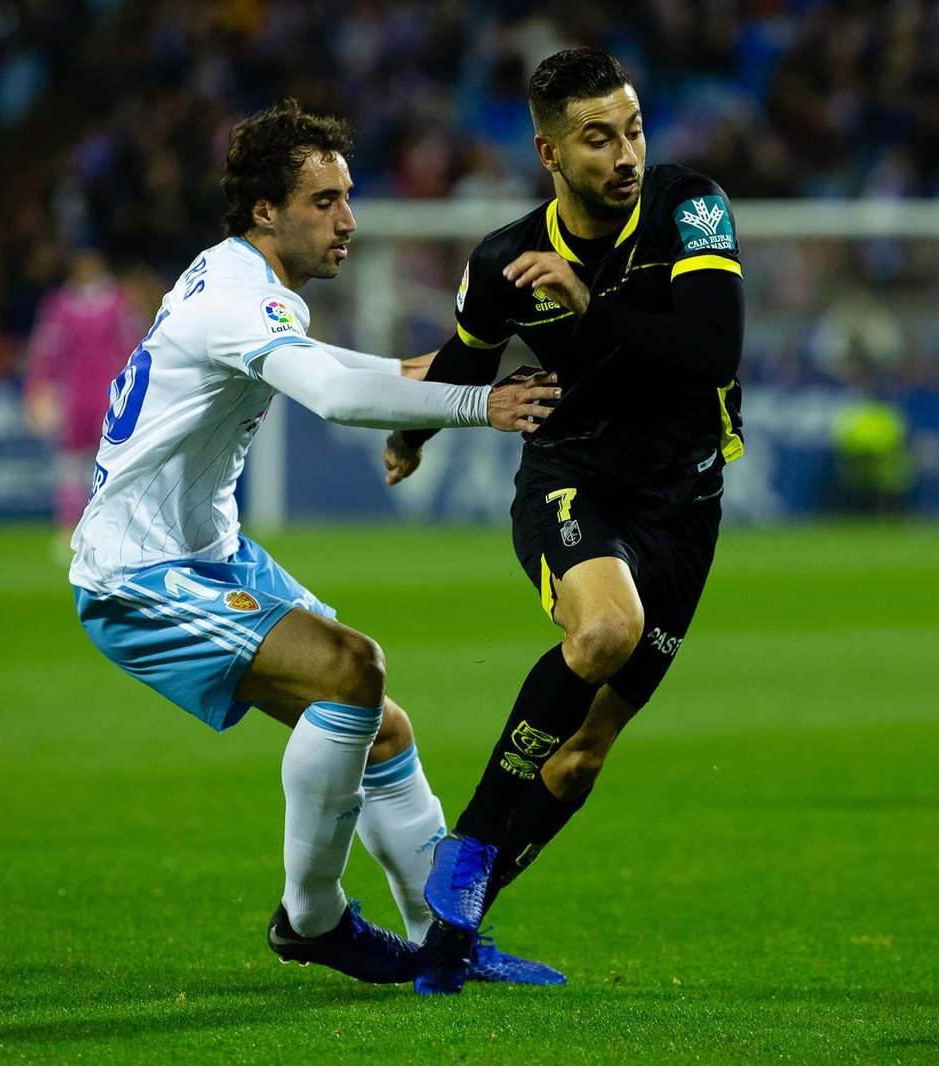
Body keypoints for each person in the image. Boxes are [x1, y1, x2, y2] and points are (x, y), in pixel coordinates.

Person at [68, 99, 566, 986]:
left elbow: (342, 370)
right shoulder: (235, 296)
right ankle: (312, 920)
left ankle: (444, 946)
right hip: (138, 569)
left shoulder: (235, 278)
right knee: (351, 670)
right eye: (325, 201)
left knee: (377, 726)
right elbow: (332, 397)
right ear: (267, 210)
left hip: (204, 549)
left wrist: (437, 371)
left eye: (348, 196)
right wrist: (474, 405)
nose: (350, 220)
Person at [384, 49, 746, 994]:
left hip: (686, 506)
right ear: (549, 150)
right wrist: (416, 431)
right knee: (604, 630)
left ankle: (452, 938)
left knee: (582, 759)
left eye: (631, 130)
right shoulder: (504, 260)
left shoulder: (690, 206)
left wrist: (594, 304)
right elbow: (467, 363)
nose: (624, 154)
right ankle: (466, 845)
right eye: (598, 138)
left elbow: (712, 350)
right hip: (571, 481)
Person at [24, 247, 148, 537]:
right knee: (69, 459)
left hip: (111, 394)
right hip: (73, 396)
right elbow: (45, 353)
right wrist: (38, 390)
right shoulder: (58, 305)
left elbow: (137, 347)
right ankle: (70, 525)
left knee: (112, 457)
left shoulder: (119, 301)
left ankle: (111, 525)